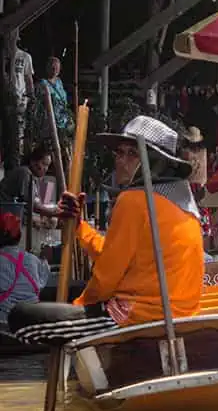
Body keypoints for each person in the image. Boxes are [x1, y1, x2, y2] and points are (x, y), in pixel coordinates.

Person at [8, 116, 205, 343]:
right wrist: (79, 226)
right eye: (120, 153)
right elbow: (111, 256)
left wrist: (76, 310)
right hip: (168, 311)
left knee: (20, 316)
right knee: (48, 296)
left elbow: (106, 277)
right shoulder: (179, 203)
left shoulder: (135, 199)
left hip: (140, 315)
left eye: (132, 154)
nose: (120, 161)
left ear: (154, 162)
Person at [0, 211, 49, 324]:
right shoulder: (32, 259)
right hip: (32, 320)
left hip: (5, 322)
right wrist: (44, 259)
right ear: (19, 237)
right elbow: (42, 282)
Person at [10, 36, 33, 154]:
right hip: (6, 97)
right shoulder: (4, 56)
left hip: (20, 99)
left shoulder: (25, 56)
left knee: (20, 129)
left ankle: (18, 156)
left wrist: (31, 97)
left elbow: (28, 78)